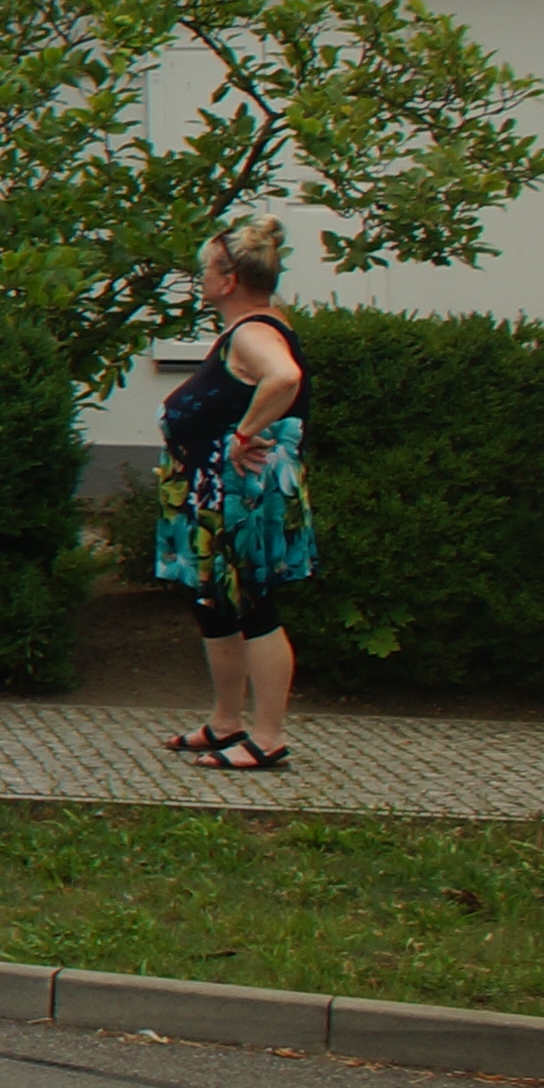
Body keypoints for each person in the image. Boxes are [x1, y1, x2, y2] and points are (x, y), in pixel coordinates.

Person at [160, 218, 314, 775]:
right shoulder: (250, 327)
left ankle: (267, 737)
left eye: (206, 270)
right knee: (216, 605)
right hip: (211, 490)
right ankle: (227, 721)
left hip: (239, 493)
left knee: (253, 605)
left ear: (229, 281)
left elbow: (284, 377)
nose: (200, 278)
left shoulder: (253, 332)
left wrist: (243, 436)